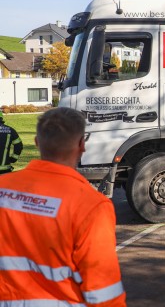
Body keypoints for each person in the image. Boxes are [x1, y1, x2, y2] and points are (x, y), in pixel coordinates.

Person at [0, 107, 127, 306]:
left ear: (37, 142)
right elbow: (103, 290)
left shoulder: (3, 187)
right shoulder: (91, 206)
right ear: (81, 144)